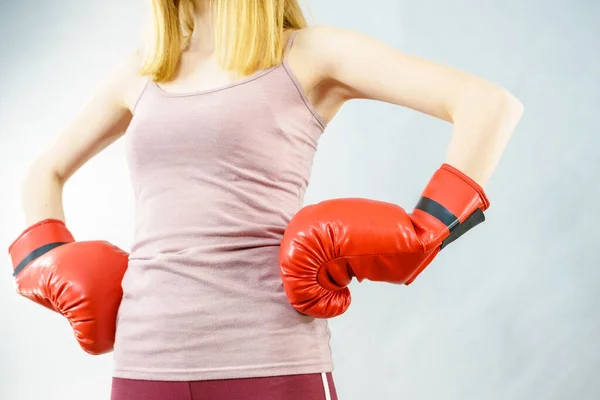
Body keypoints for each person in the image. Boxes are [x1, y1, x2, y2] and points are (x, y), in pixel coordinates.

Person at [9, 0, 524, 399]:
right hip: (145, 361)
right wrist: (46, 264)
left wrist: (426, 231)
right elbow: (44, 171)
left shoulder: (310, 52)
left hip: (270, 361)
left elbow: (488, 105)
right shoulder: (142, 73)